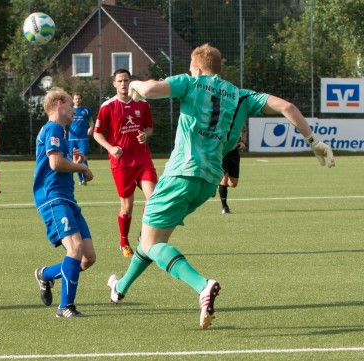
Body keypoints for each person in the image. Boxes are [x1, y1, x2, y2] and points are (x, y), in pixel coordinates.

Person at [106, 43, 335, 329]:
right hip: (208, 182)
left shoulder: (192, 82)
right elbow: (287, 107)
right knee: (151, 239)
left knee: (152, 243)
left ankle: (203, 286)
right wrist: (313, 141)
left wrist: (136, 85)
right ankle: (120, 288)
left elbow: (151, 90)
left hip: (181, 175)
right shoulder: (240, 95)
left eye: (191, 68)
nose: (190, 71)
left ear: (198, 68)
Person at [33, 87, 96, 318]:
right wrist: (80, 166)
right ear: (59, 104)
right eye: (70, 105)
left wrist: (75, 160)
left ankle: (46, 275)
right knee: (75, 248)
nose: (73, 110)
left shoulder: (60, 132)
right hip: (52, 197)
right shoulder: (54, 128)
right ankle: (65, 307)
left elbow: (61, 161)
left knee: (88, 257)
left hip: (67, 198)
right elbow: (55, 164)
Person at [93, 69, 158, 258]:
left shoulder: (142, 103)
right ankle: (124, 241)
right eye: (120, 81)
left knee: (153, 199)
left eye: (126, 80)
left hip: (143, 159)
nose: (123, 84)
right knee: (127, 207)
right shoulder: (108, 106)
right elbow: (97, 133)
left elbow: (150, 129)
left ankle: (144, 233)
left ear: (131, 82)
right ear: (114, 84)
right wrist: (111, 148)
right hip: (121, 163)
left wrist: (144, 135)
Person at [219, 124, 248, 214]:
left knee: (233, 184)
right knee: (224, 178)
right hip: (221, 152)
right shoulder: (221, 116)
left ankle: (218, 185)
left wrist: (243, 142)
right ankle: (225, 207)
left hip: (233, 153)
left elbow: (243, 129)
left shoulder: (239, 116)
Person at [68, 92, 94, 185]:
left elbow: (91, 121)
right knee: (74, 159)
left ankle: (85, 178)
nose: (77, 100)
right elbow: (64, 121)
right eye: (76, 98)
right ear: (73, 100)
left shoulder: (86, 110)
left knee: (83, 158)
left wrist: (91, 128)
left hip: (83, 139)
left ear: (81, 99)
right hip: (71, 139)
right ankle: (80, 179)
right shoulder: (70, 110)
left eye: (79, 98)